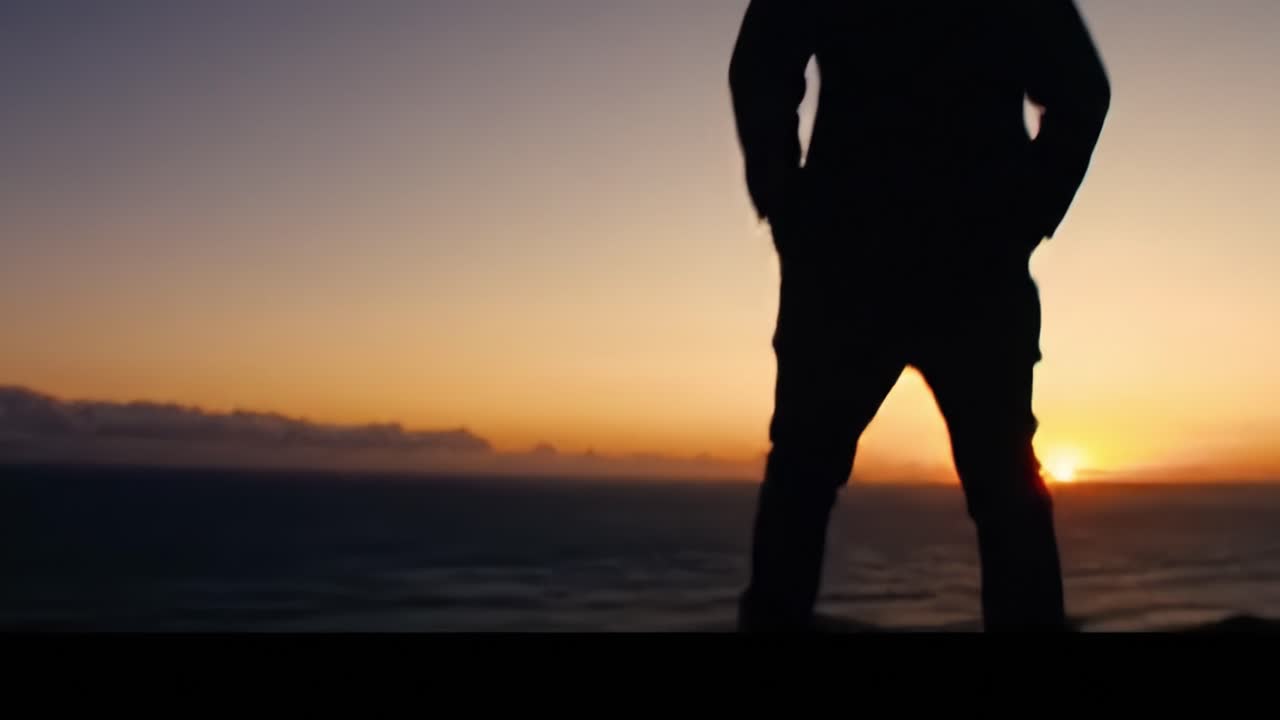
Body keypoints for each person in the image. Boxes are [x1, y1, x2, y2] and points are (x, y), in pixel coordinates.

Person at [729, 0, 1111, 631]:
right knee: (1003, 490)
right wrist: (1021, 218)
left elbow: (761, 66)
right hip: (939, 267)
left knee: (804, 480)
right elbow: (1083, 92)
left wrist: (788, 207)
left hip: (860, 263)